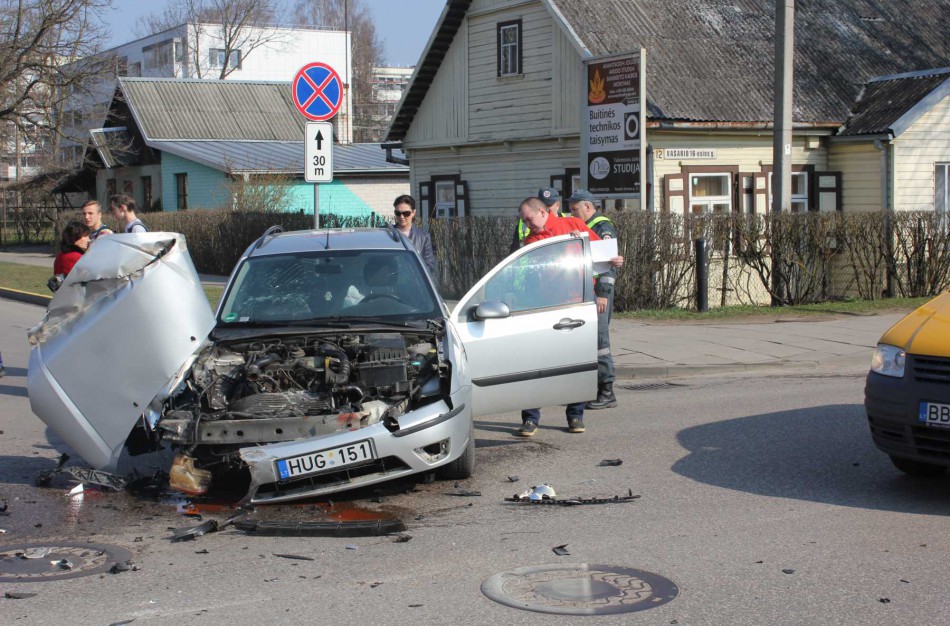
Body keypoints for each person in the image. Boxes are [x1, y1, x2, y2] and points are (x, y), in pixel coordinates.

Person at [515, 196, 606, 437]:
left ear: (542, 212)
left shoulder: (572, 226)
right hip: (543, 307)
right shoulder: (532, 239)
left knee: (574, 362)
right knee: (535, 363)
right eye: (523, 220)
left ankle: (575, 415)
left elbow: (599, 254)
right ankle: (530, 418)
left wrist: (611, 262)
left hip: (575, 303)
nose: (526, 224)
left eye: (528, 218)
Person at [568, 189, 618, 409]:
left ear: (587, 206)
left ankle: (607, 391)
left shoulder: (602, 227)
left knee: (600, 342)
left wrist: (603, 295)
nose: (572, 214)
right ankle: (596, 388)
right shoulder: (585, 227)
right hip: (587, 291)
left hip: (599, 294)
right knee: (590, 341)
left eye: (575, 209)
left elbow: (607, 264)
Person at [510, 186, 568, 253]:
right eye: (542, 205)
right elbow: (514, 249)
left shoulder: (570, 221)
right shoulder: (524, 223)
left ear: (557, 205)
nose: (545, 208)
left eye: (548, 205)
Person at [392, 194, 437, 276]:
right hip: (392, 283)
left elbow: (429, 266)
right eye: (398, 213)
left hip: (414, 283)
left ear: (413, 213)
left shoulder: (423, 237)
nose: (401, 217)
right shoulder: (388, 235)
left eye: (406, 213)